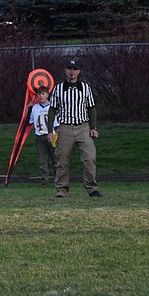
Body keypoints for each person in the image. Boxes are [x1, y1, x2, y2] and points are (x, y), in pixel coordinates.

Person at [51, 59, 102, 198]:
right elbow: (52, 109)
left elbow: (91, 108)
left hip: (83, 127)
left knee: (90, 157)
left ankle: (92, 188)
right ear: (65, 70)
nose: (72, 71)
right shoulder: (58, 88)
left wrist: (94, 127)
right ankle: (61, 189)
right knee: (62, 160)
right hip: (65, 127)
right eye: (69, 68)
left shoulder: (85, 88)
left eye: (74, 69)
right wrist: (51, 130)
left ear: (79, 71)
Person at [29, 88, 57, 185]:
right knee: (42, 160)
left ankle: (59, 180)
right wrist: (29, 108)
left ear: (47, 95)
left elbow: (57, 123)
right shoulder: (35, 107)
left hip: (51, 136)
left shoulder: (52, 107)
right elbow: (30, 121)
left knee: (55, 159)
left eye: (43, 94)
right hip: (40, 136)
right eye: (39, 94)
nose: (41, 96)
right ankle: (44, 181)